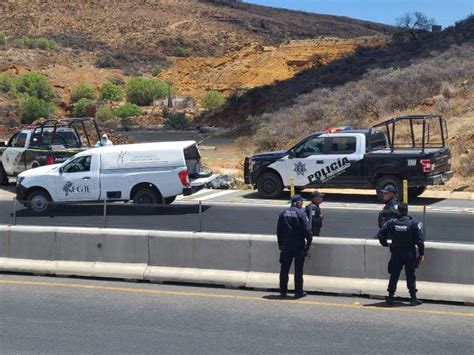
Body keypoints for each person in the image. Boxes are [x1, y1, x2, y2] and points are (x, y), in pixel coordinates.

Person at [377, 202, 425, 306]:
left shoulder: (392, 222)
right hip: (409, 253)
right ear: (407, 210)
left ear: (398, 210)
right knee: (410, 275)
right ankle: (413, 299)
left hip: (396, 253)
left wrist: (385, 244)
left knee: (394, 275)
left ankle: (390, 297)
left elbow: (381, 233)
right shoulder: (413, 223)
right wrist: (421, 253)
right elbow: (420, 241)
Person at [277, 194, 313, 299]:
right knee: (298, 270)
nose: (302, 204)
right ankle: (298, 292)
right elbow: (307, 230)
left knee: (284, 269)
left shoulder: (282, 213)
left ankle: (283, 292)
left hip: (286, 245)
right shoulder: (301, 214)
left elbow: (279, 231)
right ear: (297, 203)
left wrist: (280, 244)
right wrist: (309, 241)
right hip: (298, 245)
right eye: (301, 202)